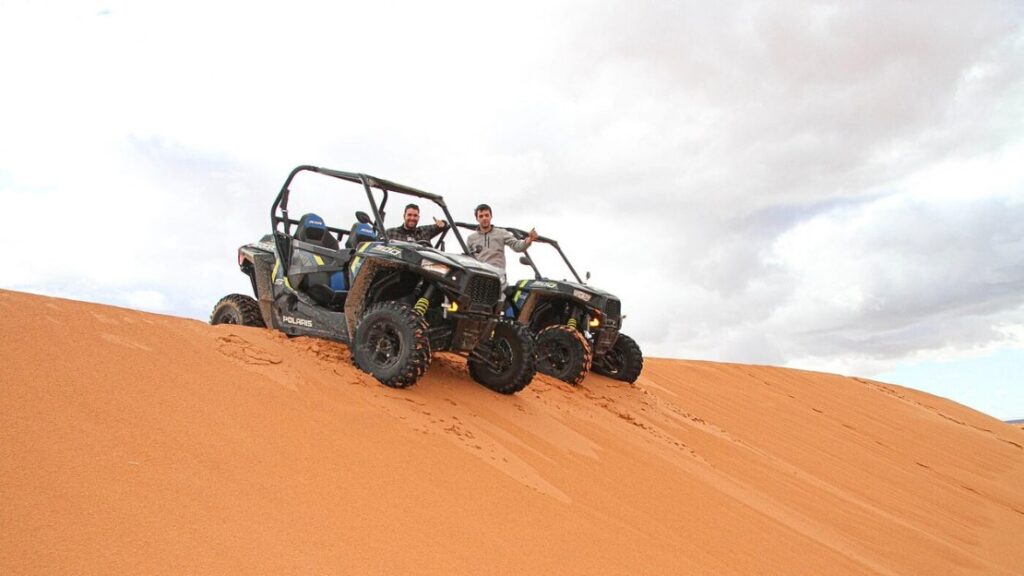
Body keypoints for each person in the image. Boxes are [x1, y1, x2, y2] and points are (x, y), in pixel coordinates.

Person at [466, 203, 538, 272]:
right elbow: (468, 259)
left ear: (491, 216)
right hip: (479, 275)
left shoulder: (501, 233)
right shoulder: (471, 238)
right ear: (477, 218)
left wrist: (529, 240)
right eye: (481, 216)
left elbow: (517, 246)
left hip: (497, 275)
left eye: (486, 215)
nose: (484, 218)